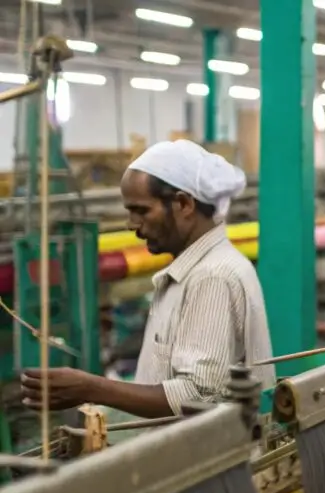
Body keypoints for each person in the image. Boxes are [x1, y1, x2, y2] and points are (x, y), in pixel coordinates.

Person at [21, 140, 275, 418]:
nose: (131, 224)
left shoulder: (211, 276)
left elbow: (198, 395)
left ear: (183, 203)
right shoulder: (195, 270)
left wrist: (90, 388)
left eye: (141, 210)